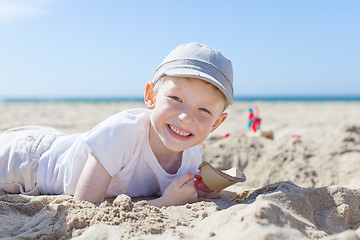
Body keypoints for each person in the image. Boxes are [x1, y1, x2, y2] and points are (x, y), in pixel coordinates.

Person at [0, 42, 234, 207]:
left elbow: (174, 189)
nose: (186, 117)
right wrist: (164, 204)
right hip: (29, 163)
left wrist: (204, 191)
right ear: (151, 96)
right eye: (176, 99)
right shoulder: (122, 133)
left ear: (216, 123)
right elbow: (84, 206)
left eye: (203, 110)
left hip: (62, 142)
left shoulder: (192, 156)